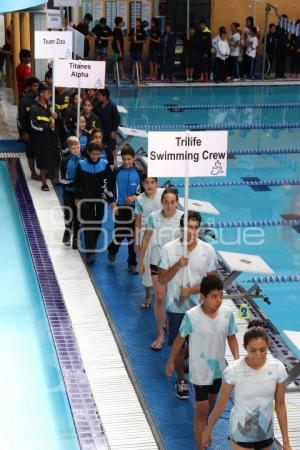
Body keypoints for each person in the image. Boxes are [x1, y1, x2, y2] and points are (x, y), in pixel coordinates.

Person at [166, 275, 239, 450]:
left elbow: (232, 337)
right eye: (214, 296)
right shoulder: (192, 316)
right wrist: (170, 361)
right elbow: (179, 339)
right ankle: (201, 445)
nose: (219, 300)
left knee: (212, 402)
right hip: (199, 371)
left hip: (218, 370)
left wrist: (236, 360)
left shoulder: (227, 314)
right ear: (203, 297)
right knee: (201, 409)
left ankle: (207, 425)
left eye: (221, 295)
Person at [203, 320, 292, 450]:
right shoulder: (233, 370)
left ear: (268, 345)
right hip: (241, 432)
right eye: (253, 350)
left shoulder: (277, 368)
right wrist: (208, 429)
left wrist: (286, 441)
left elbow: (279, 405)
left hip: (265, 432)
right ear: (245, 347)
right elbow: (221, 404)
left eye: (263, 350)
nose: (258, 355)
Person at [159, 211, 218, 400]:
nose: (192, 232)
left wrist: (192, 290)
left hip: (200, 308)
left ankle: (192, 366)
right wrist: (177, 265)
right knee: (177, 344)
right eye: (188, 228)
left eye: (195, 228)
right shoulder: (169, 249)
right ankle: (182, 379)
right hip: (176, 307)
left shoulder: (207, 250)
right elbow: (161, 279)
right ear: (181, 228)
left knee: (198, 346)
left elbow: (214, 283)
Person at [138, 187, 182, 350]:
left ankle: (169, 324)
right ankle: (160, 335)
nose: (169, 206)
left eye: (172, 202)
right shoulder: (153, 218)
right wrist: (141, 261)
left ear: (177, 202)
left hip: (174, 265)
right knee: (160, 297)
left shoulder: (183, 218)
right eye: (166, 202)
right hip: (157, 262)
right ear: (161, 202)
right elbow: (146, 239)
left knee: (172, 299)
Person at [74, 142, 114, 264]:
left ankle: (92, 244)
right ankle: (90, 253)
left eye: (98, 154)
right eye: (93, 154)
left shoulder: (105, 164)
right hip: (86, 200)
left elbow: (110, 183)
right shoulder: (81, 165)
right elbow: (78, 183)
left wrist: (111, 199)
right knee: (88, 225)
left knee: (97, 225)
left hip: (100, 200)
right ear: (88, 153)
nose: (95, 156)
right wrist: (77, 198)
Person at [107, 147, 143, 272]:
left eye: (129, 159)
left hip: (135, 208)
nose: (126, 162)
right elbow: (108, 189)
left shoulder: (140, 173)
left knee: (133, 236)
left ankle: (132, 262)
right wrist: (113, 204)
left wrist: (135, 196)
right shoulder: (116, 172)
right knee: (121, 233)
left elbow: (147, 191)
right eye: (124, 159)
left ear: (134, 158)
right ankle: (112, 249)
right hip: (120, 207)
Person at [134, 176, 164, 308]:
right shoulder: (140, 200)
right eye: (147, 183)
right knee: (146, 266)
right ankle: (148, 296)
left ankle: (163, 295)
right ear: (142, 184)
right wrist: (136, 241)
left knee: (163, 265)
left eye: (152, 182)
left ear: (156, 183)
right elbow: (138, 221)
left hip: (163, 233)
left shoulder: (164, 194)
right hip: (146, 235)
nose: (149, 185)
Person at [30, 83, 59, 191]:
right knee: (42, 160)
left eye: (50, 93)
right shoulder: (34, 108)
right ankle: (44, 183)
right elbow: (34, 125)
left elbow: (59, 121)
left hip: (53, 137)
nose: (50, 95)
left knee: (55, 156)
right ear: (41, 94)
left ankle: (55, 178)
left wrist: (57, 117)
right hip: (41, 138)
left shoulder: (52, 106)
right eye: (48, 93)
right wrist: (47, 127)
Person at [17, 76, 40, 180]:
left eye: (38, 85)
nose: (37, 87)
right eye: (35, 86)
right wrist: (24, 132)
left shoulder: (40, 97)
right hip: (29, 130)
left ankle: (43, 171)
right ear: (30, 87)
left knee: (40, 151)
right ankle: (33, 172)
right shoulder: (24, 99)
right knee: (30, 153)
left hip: (39, 130)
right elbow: (20, 117)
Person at [60, 136, 81, 249]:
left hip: (79, 195)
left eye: (78, 148)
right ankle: (67, 230)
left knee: (78, 218)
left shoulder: (83, 161)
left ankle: (76, 239)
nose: (76, 150)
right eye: (74, 148)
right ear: (69, 149)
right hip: (68, 193)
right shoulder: (65, 161)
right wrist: (73, 183)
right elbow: (62, 179)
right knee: (68, 215)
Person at [94, 88, 120, 165]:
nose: (97, 97)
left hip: (109, 133)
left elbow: (117, 119)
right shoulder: (97, 106)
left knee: (111, 149)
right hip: (100, 133)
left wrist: (113, 131)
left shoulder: (112, 106)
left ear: (105, 96)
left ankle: (113, 165)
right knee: (100, 149)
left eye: (99, 95)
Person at [112, 17, 127, 81]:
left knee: (120, 62)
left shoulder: (119, 29)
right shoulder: (116, 31)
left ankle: (122, 76)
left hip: (118, 50)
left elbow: (124, 24)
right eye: (121, 22)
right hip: (117, 50)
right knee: (116, 63)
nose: (123, 22)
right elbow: (117, 42)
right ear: (119, 23)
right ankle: (115, 77)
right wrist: (120, 51)